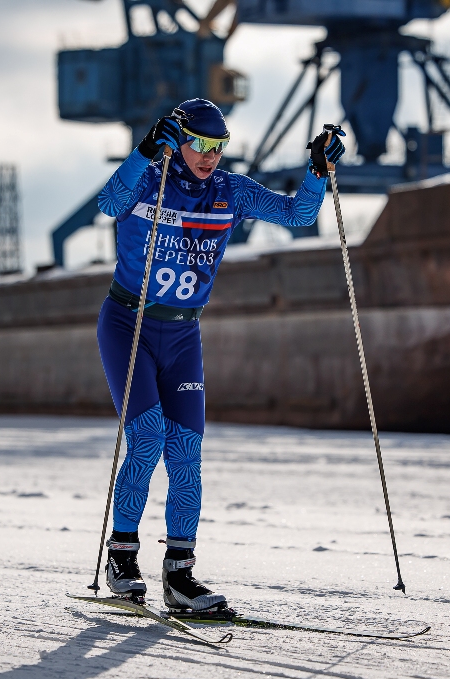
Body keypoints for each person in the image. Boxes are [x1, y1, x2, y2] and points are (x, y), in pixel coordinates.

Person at [96, 98, 345, 612]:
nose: (211, 156)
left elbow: (298, 214)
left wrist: (318, 169)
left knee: (186, 453)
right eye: (202, 144)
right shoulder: (148, 181)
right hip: (130, 324)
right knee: (147, 439)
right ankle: (121, 556)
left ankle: (180, 576)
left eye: (220, 146)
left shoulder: (229, 191)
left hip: (184, 335)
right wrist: (143, 153)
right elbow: (107, 204)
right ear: (177, 140)